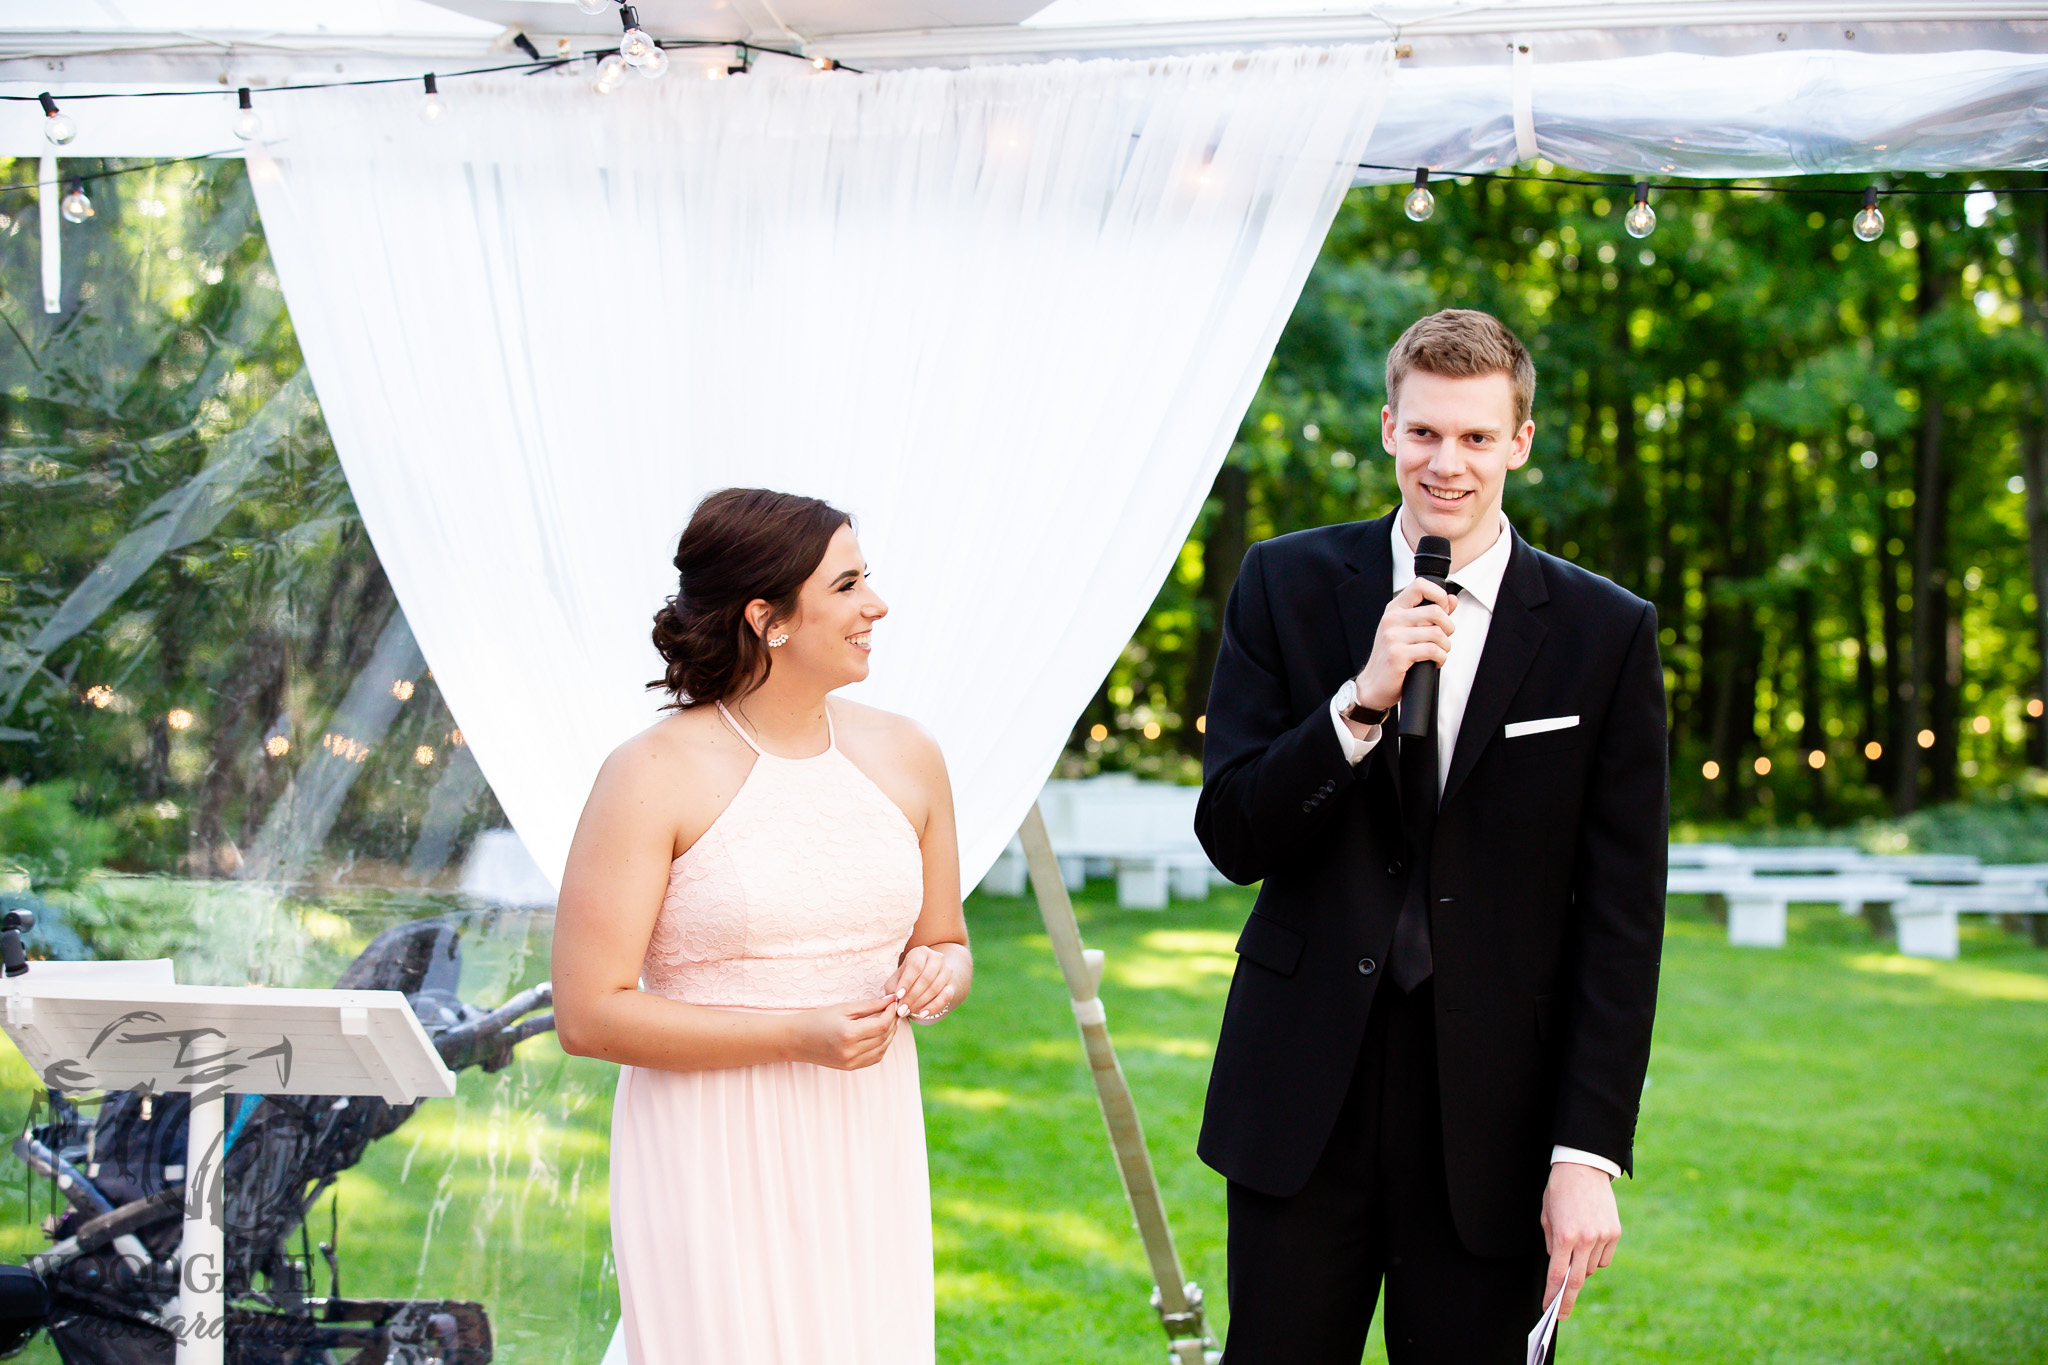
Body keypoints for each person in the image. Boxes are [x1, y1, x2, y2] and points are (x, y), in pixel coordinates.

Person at [1194, 309, 1666, 1362]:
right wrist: (1355, 704)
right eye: (1422, 434)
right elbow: (1231, 834)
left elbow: (1622, 919)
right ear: (1385, 429)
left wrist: (1584, 1149)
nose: (1444, 463)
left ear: (1520, 443)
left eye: (1475, 437)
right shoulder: (1283, 583)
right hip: (1301, 1091)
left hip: (1493, 1111)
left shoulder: (1604, 633)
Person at [552, 487, 971, 1365]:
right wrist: (795, 1033)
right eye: (849, 585)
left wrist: (940, 969)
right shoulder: (649, 774)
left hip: (866, 1127)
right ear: (767, 617)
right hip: (708, 1138)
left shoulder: (909, 754)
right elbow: (588, 1014)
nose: (877, 606)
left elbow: (945, 938)